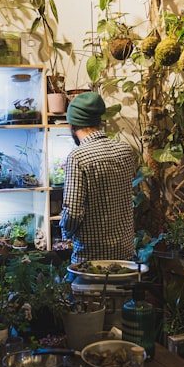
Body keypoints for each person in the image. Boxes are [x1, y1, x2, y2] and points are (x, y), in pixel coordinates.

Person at [60, 91, 138, 264]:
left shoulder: (78, 157)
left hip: (91, 257)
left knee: (82, 290)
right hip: (124, 253)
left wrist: (65, 234)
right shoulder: (125, 151)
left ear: (72, 125)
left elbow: (73, 212)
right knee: (120, 291)